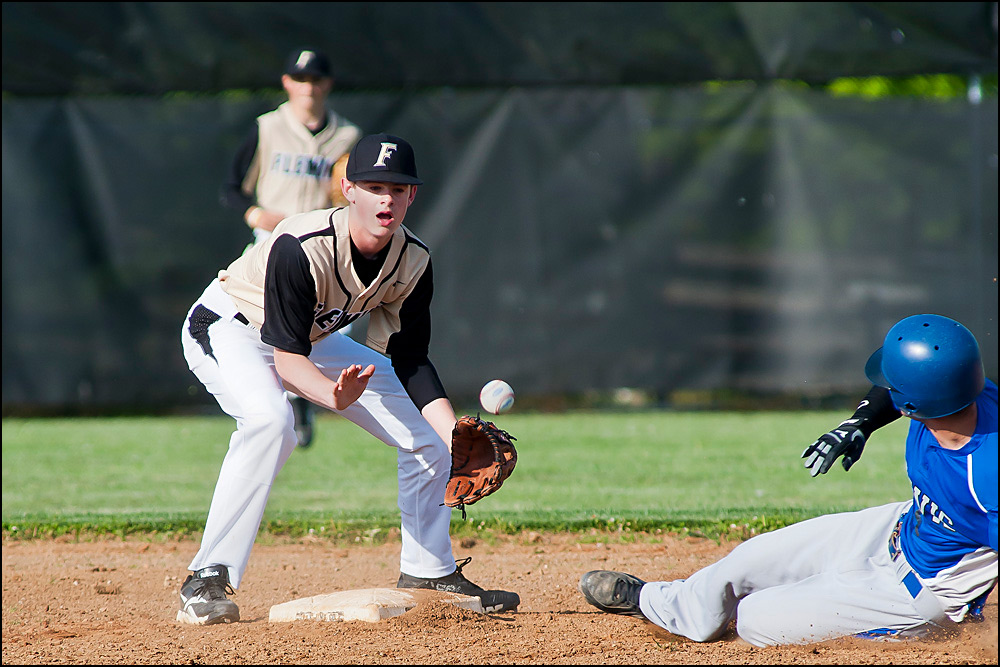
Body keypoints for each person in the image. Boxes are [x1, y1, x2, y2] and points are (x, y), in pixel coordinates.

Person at [177, 132, 520, 625]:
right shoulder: (302, 245)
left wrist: (454, 435)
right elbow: (288, 361)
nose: (386, 199)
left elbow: (410, 359)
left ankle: (429, 571)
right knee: (272, 423)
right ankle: (206, 577)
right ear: (349, 189)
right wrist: (332, 397)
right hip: (232, 325)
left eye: (398, 189)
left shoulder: (413, 260)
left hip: (310, 340)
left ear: (412, 196)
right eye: (374, 186)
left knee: (427, 438)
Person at [578, 314, 997, 646]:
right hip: (900, 526)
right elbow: (899, 389)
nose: (883, 386)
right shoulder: (970, 392)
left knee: (757, 620)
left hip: (920, 594)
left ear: (915, 401)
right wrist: (859, 424)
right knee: (747, 561)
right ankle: (670, 607)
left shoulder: (986, 479)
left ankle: (913, 631)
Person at [220, 46, 363, 449]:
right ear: (286, 83)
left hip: (324, 246)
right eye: (300, 78)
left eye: (315, 78)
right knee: (268, 328)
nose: (308, 86)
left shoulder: (348, 136)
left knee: (325, 332)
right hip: (272, 242)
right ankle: (281, 403)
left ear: (327, 84)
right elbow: (232, 189)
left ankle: (301, 399)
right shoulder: (267, 128)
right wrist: (254, 215)